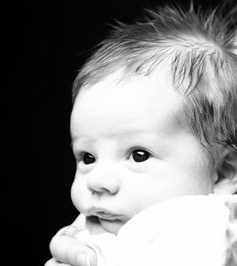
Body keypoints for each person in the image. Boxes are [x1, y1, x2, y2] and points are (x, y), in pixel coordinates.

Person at [45, 2, 237, 266]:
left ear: (224, 171)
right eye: (88, 157)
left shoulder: (198, 225)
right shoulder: (107, 218)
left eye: (138, 155)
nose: (98, 180)